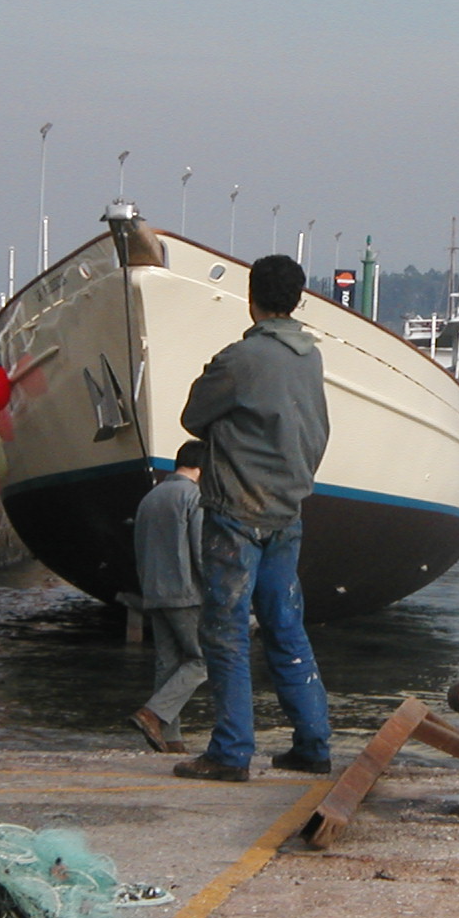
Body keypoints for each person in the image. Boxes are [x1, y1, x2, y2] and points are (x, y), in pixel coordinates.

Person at [173, 254, 332, 783]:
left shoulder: (242, 358)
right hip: (288, 512)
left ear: (252, 297)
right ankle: (312, 743)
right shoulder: (310, 358)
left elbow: (193, 416)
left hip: (238, 511)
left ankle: (231, 750)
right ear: (299, 299)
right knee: (286, 625)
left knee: (226, 629)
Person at [127, 440, 209, 755]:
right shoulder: (193, 497)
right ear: (202, 467)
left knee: (167, 663)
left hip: (154, 592)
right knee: (202, 660)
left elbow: (138, 547)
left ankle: (170, 739)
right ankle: (153, 713)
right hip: (185, 593)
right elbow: (200, 550)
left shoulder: (150, 497)